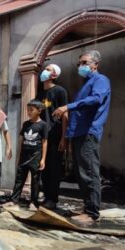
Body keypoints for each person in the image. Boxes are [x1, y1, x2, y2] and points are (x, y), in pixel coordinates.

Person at [53, 50, 111, 224]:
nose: (81, 66)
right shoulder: (86, 84)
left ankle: (92, 213)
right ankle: (87, 206)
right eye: (79, 64)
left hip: (88, 133)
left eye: (84, 63)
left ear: (95, 65)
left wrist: (68, 106)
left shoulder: (100, 80)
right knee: (80, 173)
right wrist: (68, 135)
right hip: (78, 134)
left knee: (89, 172)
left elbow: (96, 99)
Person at [4, 99, 48, 210]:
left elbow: (44, 142)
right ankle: (14, 200)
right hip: (24, 156)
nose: (28, 112)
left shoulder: (43, 125)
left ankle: (33, 202)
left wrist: (43, 159)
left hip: (36, 157)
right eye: (28, 110)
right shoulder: (26, 124)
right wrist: (17, 155)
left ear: (39, 111)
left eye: (31, 110)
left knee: (35, 180)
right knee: (19, 179)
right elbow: (21, 140)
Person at [36, 63, 68, 210]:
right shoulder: (40, 93)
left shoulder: (60, 91)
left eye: (48, 70)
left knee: (54, 168)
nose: (44, 71)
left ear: (54, 75)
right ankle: (45, 195)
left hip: (55, 136)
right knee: (44, 167)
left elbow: (65, 115)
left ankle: (52, 199)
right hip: (42, 136)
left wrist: (63, 137)